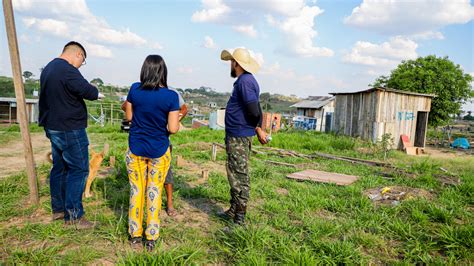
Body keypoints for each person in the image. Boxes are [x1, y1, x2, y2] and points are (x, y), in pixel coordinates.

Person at [39, 41, 102, 229]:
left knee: (60, 168)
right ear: (79, 55)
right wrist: (95, 90)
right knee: (79, 169)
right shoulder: (67, 69)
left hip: (53, 126)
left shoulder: (49, 68)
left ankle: (58, 210)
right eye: (82, 62)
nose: (80, 66)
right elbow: (89, 91)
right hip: (70, 128)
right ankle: (74, 216)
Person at [122, 55, 180, 251]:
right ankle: (151, 238)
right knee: (153, 191)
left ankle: (134, 235)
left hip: (136, 148)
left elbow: (129, 117)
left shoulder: (134, 90)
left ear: (144, 70)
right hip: (159, 150)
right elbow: (172, 129)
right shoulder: (171, 97)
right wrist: (177, 120)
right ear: (163, 72)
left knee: (136, 191)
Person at [220, 48, 268, 225]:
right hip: (236, 134)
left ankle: (239, 217)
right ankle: (234, 209)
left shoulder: (245, 82)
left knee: (239, 174)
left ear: (236, 64)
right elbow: (255, 107)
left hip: (240, 135)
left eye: (231, 62)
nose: (230, 65)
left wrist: (257, 128)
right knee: (233, 171)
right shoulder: (244, 81)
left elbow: (254, 110)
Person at [163, 90, 187, 217]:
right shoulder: (140, 89)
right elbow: (125, 106)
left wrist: (175, 120)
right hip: (144, 141)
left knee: (167, 171)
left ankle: (169, 204)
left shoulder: (172, 92)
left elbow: (184, 109)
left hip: (164, 140)